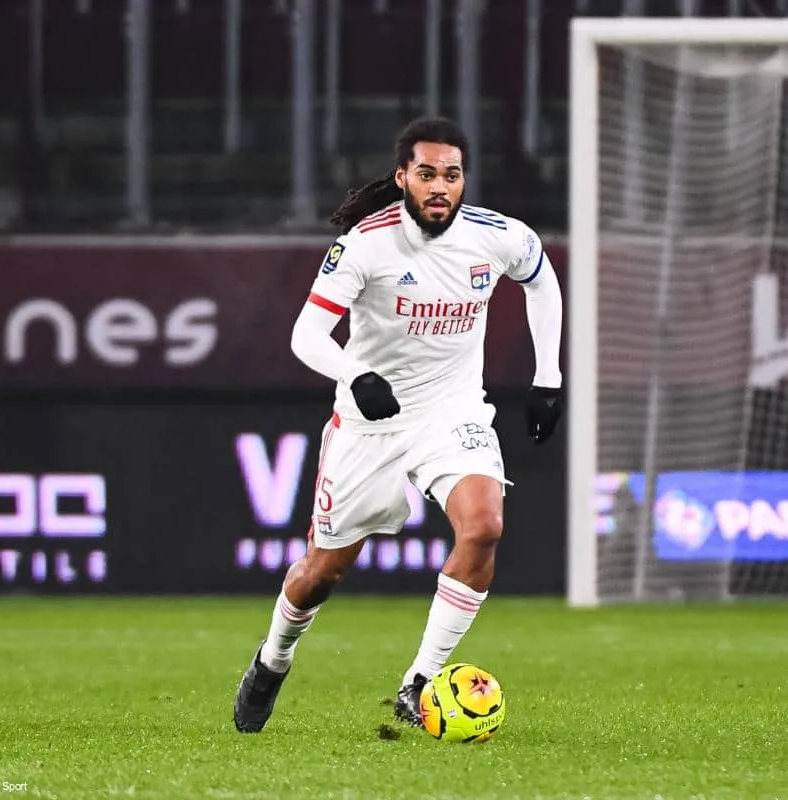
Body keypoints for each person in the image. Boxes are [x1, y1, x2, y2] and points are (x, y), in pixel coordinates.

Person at [233, 116, 564, 733]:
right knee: (321, 574)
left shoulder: (498, 236)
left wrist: (549, 376)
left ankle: (418, 685)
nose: (441, 186)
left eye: (453, 174)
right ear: (403, 178)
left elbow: (541, 280)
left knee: (485, 526)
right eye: (428, 173)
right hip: (371, 421)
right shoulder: (365, 244)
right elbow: (306, 334)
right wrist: (354, 374)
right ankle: (273, 657)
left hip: (453, 410)